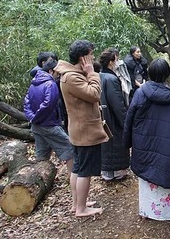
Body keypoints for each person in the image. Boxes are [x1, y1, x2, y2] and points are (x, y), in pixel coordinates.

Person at [123, 58, 170, 220]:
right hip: (167, 147)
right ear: (167, 74)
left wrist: (128, 143)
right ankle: (167, 214)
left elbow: (129, 120)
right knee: (165, 173)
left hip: (143, 145)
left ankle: (148, 212)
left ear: (150, 73)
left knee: (147, 178)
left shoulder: (140, 93)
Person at [55, 40, 108, 217]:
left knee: (78, 168)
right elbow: (94, 94)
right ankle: (81, 208)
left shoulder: (72, 74)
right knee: (84, 170)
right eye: (91, 54)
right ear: (83, 57)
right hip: (84, 130)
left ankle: (77, 203)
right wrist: (92, 74)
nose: (93, 57)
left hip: (80, 129)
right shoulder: (72, 77)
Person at [23, 59, 74, 176]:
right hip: (49, 124)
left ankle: (35, 180)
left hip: (37, 125)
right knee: (70, 148)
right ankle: (73, 178)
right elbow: (48, 105)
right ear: (51, 71)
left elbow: (26, 102)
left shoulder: (34, 82)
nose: (59, 75)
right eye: (57, 72)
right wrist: (37, 118)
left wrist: (32, 118)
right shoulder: (51, 84)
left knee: (42, 155)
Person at [99, 49, 129, 181]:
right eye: (117, 59)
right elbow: (117, 103)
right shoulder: (111, 78)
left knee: (106, 143)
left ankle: (107, 172)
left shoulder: (99, 75)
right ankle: (117, 172)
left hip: (103, 116)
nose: (118, 62)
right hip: (112, 118)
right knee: (115, 143)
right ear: (111, 62)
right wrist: (125, 121)